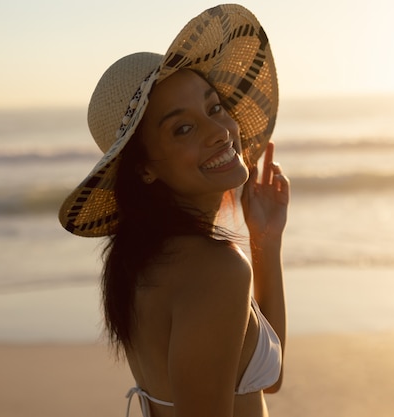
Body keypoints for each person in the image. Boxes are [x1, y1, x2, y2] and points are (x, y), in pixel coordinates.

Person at [58, 4, 288, 417]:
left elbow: (264, 378)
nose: (219, 131)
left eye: (214, 107)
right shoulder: (215, 270)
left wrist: (265, 242)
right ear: (144, 167)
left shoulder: (143, 261)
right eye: (183, 128)